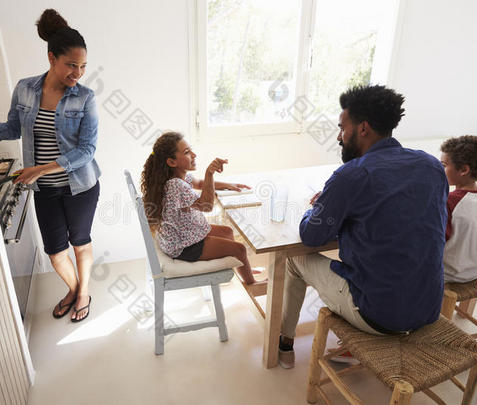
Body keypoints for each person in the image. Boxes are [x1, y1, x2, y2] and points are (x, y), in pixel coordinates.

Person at [278, 85, 449, 369]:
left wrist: (319, 207)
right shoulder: (431, 166)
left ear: (363, 128)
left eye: (342, 128)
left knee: (294, 260)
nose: (339, 136)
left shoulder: (353, 174)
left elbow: (311, 236)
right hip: (429, 307)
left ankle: (284, 344)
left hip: (379, 316)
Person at [0, 9, 100, 322]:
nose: (77, 73)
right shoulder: (25, 89)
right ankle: (76, 288)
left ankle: (81, 293)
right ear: (52, 58)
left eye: (82, 66)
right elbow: (13, 128)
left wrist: (39, 169)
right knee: (55, 252)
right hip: (46, 190)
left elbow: (87, 150)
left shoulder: (85, 98)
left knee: (80, 244)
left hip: (80, 185)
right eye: (71, 65)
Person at [140, 132, 258, 284]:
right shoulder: (176, 185)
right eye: (187, 152)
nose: (194, 155)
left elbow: (201, 184)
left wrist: (229, 184)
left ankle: (242, 266)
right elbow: (207, 206)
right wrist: (210, 172)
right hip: (184, 246)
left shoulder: (177, 176)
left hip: (181, 235)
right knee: (240, 249)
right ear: (171, 162)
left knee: (227, 232)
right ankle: (252, 283)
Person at [440, 135, 477, 282]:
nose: (440, 168)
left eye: (444, 165)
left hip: (449, 273)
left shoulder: (450, 201)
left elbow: (437, 242)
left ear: (463, 170)